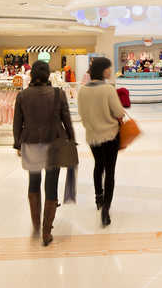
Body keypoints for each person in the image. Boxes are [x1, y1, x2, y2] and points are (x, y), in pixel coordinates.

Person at [13, 60, 75, 246]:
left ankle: (36, 224)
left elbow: (17, 123)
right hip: (54, 142)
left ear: (32, 76)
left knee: (33, 182)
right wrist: (71, 139)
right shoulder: (58, 94)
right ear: (48, 75)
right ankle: (46, 232)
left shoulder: (23, 96)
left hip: (31, 143)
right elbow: (66, 119)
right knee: (51, 184)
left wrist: (17, 144)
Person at [77, 57, 125, 227]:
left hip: (92, 135)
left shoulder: (82, 90)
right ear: (103, 70)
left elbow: (81, 114)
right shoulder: (108, 89)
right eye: (108, 68)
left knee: (98, 166)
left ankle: (98, 198)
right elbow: (119, 111)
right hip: (111, 135)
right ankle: (106, 209)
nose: (110, 71)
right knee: (110, 171)